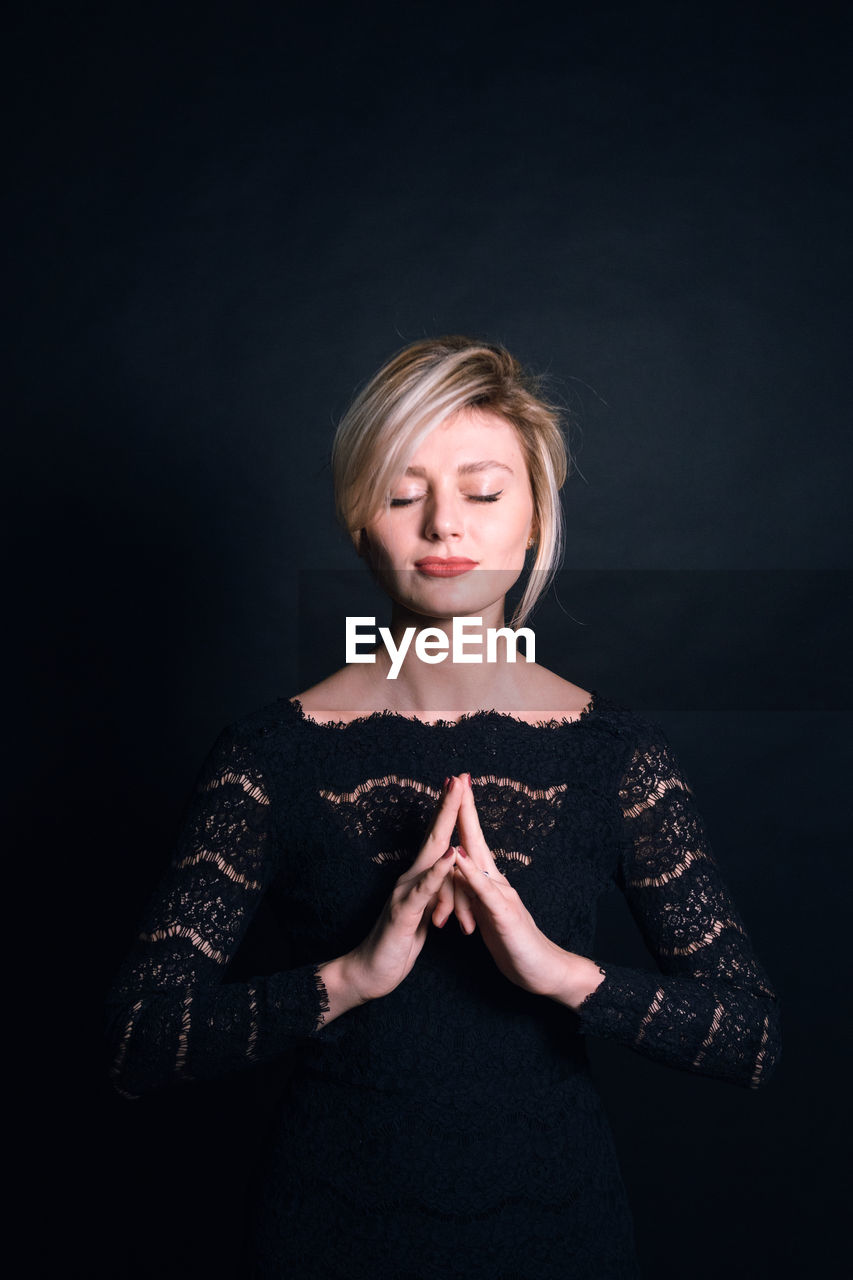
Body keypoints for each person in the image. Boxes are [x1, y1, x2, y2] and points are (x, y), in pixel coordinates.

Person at [104, 336, 782, 1279]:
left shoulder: (615, 753)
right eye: (401, 492)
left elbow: (747, 1037)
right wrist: (350, 976)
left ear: (536, 517)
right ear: (358, 523)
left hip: (558, 1235)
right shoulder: (268, 756)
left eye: (482, 491)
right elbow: (139, 1041)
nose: (441, 528)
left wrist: (557, 972)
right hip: (326, 1235)